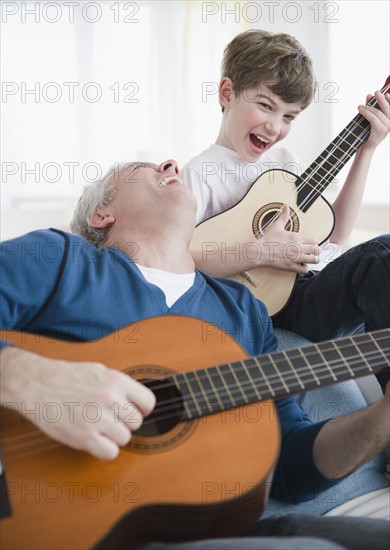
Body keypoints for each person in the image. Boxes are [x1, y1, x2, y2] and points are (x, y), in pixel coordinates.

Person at [0, 160, 389, 550]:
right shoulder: (60, 258)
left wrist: (380, 419)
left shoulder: (244, 310)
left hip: (214, 531)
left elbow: (291, 470)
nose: (170, 163)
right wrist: (25, 374)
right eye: (141, 167)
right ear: (103, 214)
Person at [181, 30, 390, 391]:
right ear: (227, 92)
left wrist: (366, 151)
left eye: (289, 116)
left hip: (310, 291)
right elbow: (180, 258)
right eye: (265, 105)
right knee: (382, 256)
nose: (275, 127)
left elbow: (334, 235)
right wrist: (260, 251)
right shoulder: (199, 174)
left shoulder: (282, 163)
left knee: (380, 258)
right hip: (259, 307)